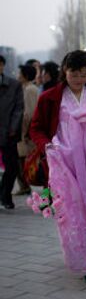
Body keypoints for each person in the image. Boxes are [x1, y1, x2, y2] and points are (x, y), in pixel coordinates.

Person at [29, 50, 86, 287]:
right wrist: (47, 145)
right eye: (74, 74)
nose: (78, 79)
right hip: (64, 166)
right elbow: (35, 128)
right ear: (64, 72)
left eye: (84, 74)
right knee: (73, 214)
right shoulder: (49, 98)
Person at [0, 55, 24, 209]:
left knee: (12, 167)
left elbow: (19, 108)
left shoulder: (14, 85)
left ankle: (5, 195)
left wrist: (13, 128)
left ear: (2, 65)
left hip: (8, 132)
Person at [15, 64, 39, 195]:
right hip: (26, 131)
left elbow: (28, 112)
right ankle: (24, 185)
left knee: (22, 159)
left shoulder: (30, 89)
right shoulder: (27, 88)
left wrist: (23, 130)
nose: (18, 76)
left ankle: (25, 185)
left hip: (25, 132)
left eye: (20, 73)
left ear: (25, 75)